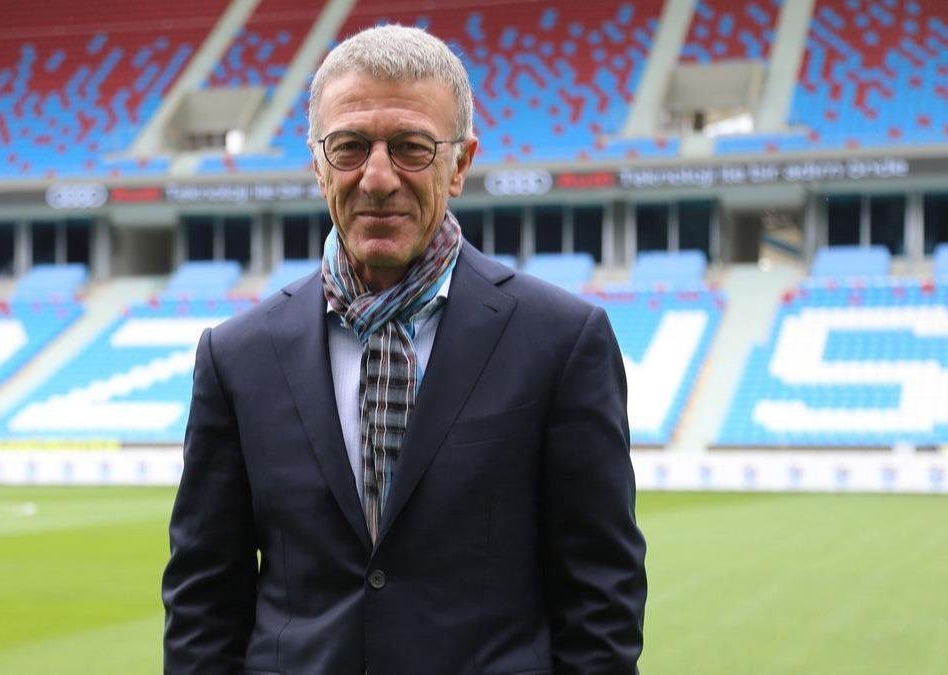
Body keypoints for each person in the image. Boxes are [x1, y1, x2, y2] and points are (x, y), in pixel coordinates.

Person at [162, 24, 647, 674]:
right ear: (317, 164)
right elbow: (203, 604)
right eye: (349, 147)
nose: (377, 177)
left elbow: (602, 602)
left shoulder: (561, 342)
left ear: (461, 164)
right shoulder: (237, 356)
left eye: (411, 148)